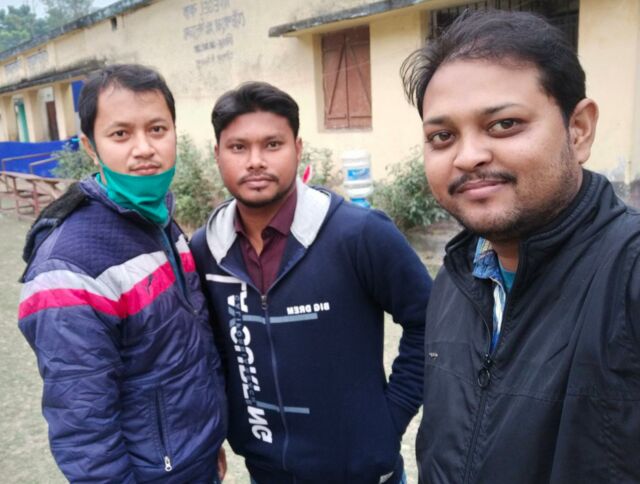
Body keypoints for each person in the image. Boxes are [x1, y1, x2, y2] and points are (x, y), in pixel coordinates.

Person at [401, 9, 640, 483]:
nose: (468, 156)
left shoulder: (628, 274)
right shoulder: (456, 279)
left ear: (578, 129)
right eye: (442, 136)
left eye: (504, 124)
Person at [189, 81, 432, 483]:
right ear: (217, 154)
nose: (255, 161)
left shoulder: (358, 234)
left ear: (298, 149)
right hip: (265, 471)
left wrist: (388, 420)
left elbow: (430, 321)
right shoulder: (204, 250)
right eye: (238, 147)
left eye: (272, 144)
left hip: (362, 473)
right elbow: (211, 351)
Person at [17, 64, 227, 483]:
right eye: (120, 134)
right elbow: (84, 428)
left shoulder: (159, 220)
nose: (144, 148)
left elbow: (181, 351)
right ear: (90, 147)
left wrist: (206, 441)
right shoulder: (68, 269)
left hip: (193, 459)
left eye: (157, 129)